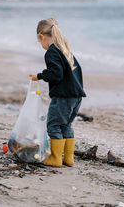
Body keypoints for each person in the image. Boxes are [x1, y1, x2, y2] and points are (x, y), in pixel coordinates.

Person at [30, 18, 86, 167]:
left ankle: (55, 158)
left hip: (63, 97)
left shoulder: (52, 52)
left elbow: (56, 74)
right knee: (66, 126)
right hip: (77, 95)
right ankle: (68, 158)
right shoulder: (65, 48)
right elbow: (76, 72)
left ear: (42, 37)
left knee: (53, 125)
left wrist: (40, 76)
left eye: (39, 41)